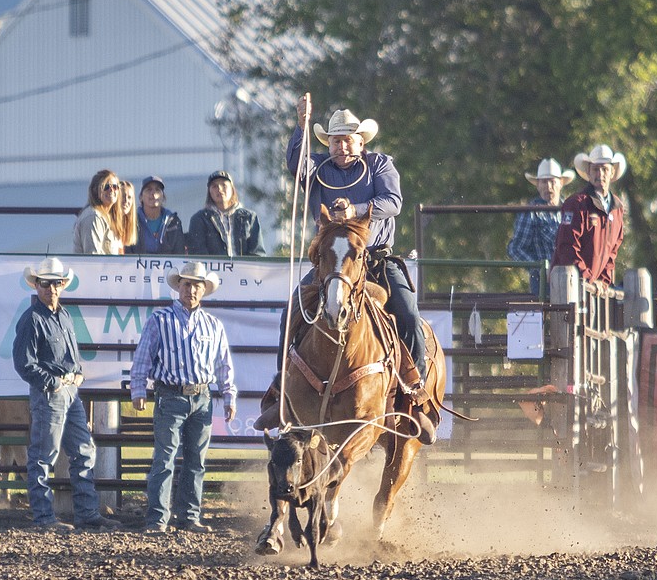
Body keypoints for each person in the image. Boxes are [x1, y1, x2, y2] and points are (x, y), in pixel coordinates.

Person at [256, 94, 436, 442]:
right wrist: (300, 125)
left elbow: (393, 202)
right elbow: (296, 166)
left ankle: (415, 395)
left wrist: (354, 210)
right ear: (330, 142)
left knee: (409, 315)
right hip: (331, 263)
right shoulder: (319, 168)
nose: (341, 146)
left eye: (347, 140)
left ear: (360, 142)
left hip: (374, 259)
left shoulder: (381, 164)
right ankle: (281, 391)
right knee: (292, 310)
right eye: (336, 140)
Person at [12, 258, 121, 532]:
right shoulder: (32, 319)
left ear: (62, 285)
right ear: (37, 285)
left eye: (56, 283)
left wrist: (77, 374)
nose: (52, 288)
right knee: (44, 455)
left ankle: (85, 513)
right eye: (46, 283)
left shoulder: (63, 315)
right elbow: (24, 363)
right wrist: (54, 382)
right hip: (53, 391)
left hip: (68, 390)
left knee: (83, 451)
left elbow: (69, 354)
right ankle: (45, 517)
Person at [130, 261, 237, 533]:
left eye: (196, 286)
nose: (191, 290)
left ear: (204, 291)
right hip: (170, 395)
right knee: (164, 458)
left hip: (202, 396)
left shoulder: (214, 325)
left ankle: (189, 517)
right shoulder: (160, 319)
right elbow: (143, 356)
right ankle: (157, 519)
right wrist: (138, 388)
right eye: (187, 284)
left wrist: (229, 395)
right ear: (178, 286)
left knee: (195, 460)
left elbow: (223, 363)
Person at [550, 144, 628, 290]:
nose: (600, 174)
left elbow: (612, 252)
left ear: (612, 172)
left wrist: (603, 281)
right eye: (596, 169)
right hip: (568, 285)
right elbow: (567, 247)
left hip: (592, 287)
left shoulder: (617, 209)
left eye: (605, 169)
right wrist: (588, 278)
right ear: (588, 172)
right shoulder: (576, 204)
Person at [508, 158, 574, 294]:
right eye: (544, 182)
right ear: (538, 185)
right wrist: (540, 268)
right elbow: (515, 248)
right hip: (544, 283)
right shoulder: (531, 212)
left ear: (561, 184)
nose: (548, 187)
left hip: (570, 277)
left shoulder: (569, 211)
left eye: (552, 181)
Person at [186, 170, 265, 257]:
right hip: (212, 270)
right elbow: (198, 254)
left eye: (224, 185)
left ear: (232, 189)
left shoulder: (249, 217)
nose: (219, 189)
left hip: (244, 270)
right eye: (214, 186)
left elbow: (257, 254)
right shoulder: (199, 219)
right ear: (209, 191)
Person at [73, 170, 129, 255]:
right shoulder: (93, 217)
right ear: (95, 191)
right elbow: (93, 258)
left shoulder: (109, 217)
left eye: (115, 186)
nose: (111, 190)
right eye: (106, 187)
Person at [126, 175, 186, 255]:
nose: (153, 193)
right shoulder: (130, 221)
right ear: (140, 197)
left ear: (163, 197)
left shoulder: (174, 222)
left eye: (157, 190)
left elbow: (179, 254)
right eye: (148, 189)